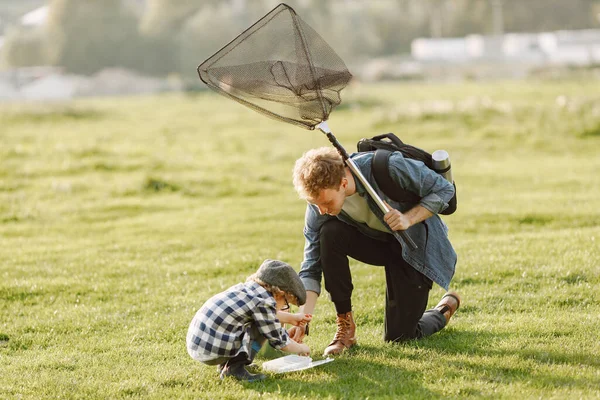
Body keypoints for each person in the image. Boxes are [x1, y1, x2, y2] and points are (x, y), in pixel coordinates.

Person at [290, 147, 461, 356]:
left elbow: (444, 189)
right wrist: (302, 318)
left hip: (412, 249)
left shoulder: (389, 166)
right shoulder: (319, 205)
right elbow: (311, 265)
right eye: (314, 204)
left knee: (401, 336)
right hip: (377, 244)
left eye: (326, 203)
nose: (321, 210)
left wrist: (408, 218)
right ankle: (346, 327)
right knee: (329, 233)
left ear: (343, 183)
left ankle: (442, 311)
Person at [186, 259, 312, 382]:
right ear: (279, 294)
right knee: (259, 327)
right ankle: (234, 369)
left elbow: (268, 315)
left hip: (200, 345)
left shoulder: (249, 290)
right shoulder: (263, 303)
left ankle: (227, 365)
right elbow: (280, 341)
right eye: (286, 303)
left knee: (252, 322)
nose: (285, 307)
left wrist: (293, 319)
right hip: (211, 350)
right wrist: (301, 348)